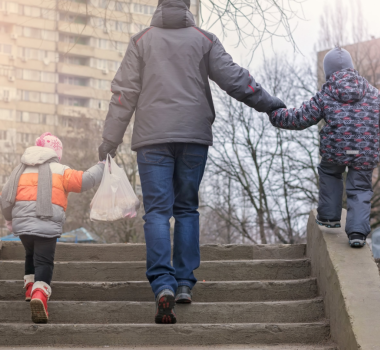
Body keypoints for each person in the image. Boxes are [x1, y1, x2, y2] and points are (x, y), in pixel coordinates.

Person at [98, 0, 285, 324]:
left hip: (152, 138)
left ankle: (162, 285)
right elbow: (235, 79)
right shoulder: (204, 39)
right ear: (188, 7)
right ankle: (184, 282)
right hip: (193, 136)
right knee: (186, 208)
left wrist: (109, 140)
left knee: (157, 211)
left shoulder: (141, 41)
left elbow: (123, 93)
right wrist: (270, 104)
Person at [269, 47, 380, 248]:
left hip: (335, 149)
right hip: (365, 151)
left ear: (328, 71)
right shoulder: (374, 93)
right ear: (351, 68)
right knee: (361, 188)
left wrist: (276, 115)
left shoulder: (326, 93)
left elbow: (302, 117)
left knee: (330, 173)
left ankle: (329, 217)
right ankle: (357, 233)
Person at [0, 132, 104, 323]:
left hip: (22, 226)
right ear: (56, 153)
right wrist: (101, 167)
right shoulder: (60, 169)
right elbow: (84, 181)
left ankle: (30, 289)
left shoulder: (19, 169)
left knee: (30, 254)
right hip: (46, 223)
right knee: (44, 261)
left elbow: (5, 196)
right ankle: (40, 295)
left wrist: (9, 219)